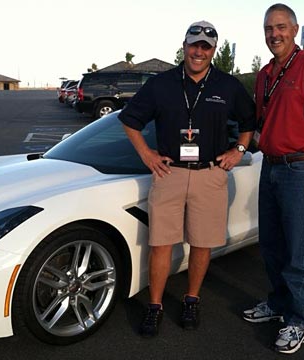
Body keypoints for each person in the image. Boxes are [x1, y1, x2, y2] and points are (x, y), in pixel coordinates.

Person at [119, 20, 255, 338]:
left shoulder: (228, 86)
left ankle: (191, 299)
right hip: (170, 174)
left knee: (202, 244)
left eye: (206, 47)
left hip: (210, 175)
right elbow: (129, 120)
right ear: (184, 47)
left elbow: (249, 120)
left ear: (213, 51)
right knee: (161, 244)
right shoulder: (161, 83)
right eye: (194, 45)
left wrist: (238, 149)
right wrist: (147, 155)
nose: (199, 51)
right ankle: (155, 307)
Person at [243, 3, 304, 354]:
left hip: (300, 169)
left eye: (281, 27)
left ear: (295, 30)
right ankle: (278, 303)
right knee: (270, 245)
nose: (274, 34)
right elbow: (261, 124)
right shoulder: (265, 73)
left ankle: (297, 321)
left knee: (297, 251)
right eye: (269, 28)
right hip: (269, 166)